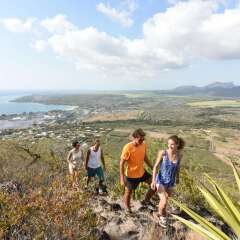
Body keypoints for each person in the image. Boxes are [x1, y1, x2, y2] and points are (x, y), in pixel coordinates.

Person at [151, 135, 185, 228]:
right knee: (164, 200)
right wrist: (153, 181)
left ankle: (158, 213)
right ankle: (162, 218)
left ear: (177, 144)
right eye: (168, 144)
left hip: (171, 182)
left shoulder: (179, 154)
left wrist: (177, 178)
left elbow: (178, 167)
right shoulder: (163, 153)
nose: (170, 146)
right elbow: (155, 167)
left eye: (172, 144)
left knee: (165, 201)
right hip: (160, 180)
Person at [120, 128, 155, 213]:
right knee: (128, 193)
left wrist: (152, 167)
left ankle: (146, 201)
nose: (142, 141)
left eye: (143, 139)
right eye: (140, 139)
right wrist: (121, 178)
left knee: (154, 185)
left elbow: (144, 157)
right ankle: (128, 209)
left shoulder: (143, 145)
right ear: (134, 138)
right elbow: (121, 163)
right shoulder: (127, 147)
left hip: (142, 172)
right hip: (131, 175)